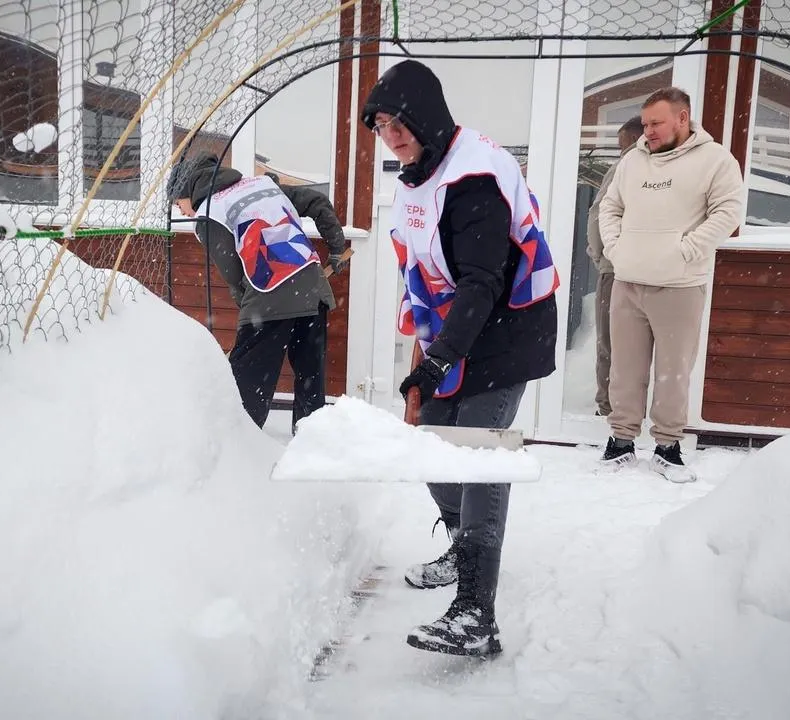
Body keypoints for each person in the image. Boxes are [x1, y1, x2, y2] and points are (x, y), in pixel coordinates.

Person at [360, 59, 560, 657]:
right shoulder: (417, 175)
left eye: (400, 122)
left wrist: (440, 359)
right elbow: (422, 274)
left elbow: (481, 281)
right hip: (459, 325)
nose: (392, 135)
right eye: (381, 126)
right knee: (431, 444)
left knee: (478, 456)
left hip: (506, 328)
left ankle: (477, 613)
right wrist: (427, 350)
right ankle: (460, 544)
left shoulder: (474, 176)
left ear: (428, 116)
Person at [597, 87, 745, 483]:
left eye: (656, 123)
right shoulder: (633, 161)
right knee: (624, 369)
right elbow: (611, 206)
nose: (648, 132)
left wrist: (687, 249)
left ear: (682, 118)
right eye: (645, 124)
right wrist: (616, 246)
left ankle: (667, 445)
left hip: (680, 284)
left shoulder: (715, 160)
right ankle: (622, 440)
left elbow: (728, 210)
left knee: (673, 371)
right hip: (629, 280)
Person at [167, 153, 349, 432]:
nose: (180, 210)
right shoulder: (262, 185)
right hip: (313, 289)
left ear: (188, 189)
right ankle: (311, 446)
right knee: (309, 378)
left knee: (248, 387)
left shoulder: (208, 215)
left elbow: (233, 273)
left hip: (269, 296)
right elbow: (317, 202)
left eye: (177, 202)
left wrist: (249, 312)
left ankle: (241, 452)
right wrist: (336, 247)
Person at [585, 116, 644, 418]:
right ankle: (635, 407)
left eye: (623, 146)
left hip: (616, 268)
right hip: (651, 269)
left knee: (610, 341)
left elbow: (597, 214)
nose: (622, 154)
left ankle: (609, 407)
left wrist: (600, 257)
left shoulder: (623, 169)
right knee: (639, 344)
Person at [263, 171, 350, 275]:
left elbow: (317, 203)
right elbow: (318, 203)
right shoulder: (274, 195)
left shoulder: (275, 195)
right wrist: (337, 249)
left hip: (285, 265)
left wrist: (337, 249)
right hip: (280, 266)